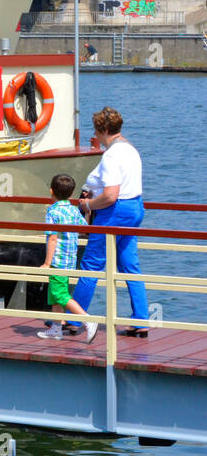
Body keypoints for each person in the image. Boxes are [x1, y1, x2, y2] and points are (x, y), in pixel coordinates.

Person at [70, 107, 149, 336]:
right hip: (134, 208)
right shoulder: (131, 150)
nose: (96, 136)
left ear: (104, 130)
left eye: (97, 131)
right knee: (129, 266)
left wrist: (88, 205)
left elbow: (111, 194)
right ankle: (141, 320)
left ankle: (75, 320)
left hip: (114, 211)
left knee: (91, 264)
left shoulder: (111, 155)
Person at [37, 174, 98, 343]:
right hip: (70, 259)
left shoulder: (53, 211)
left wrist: (47, 263)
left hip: (57, 260)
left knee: (60, 294)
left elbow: (53, 238)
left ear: (51, 191)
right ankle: (56, 329)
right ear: (71, 194)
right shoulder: (72, 209)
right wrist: (88, 213)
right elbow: (85, 230)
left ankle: (88, 320)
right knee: (55, 295)